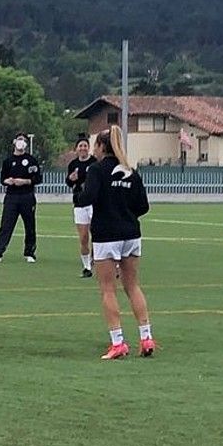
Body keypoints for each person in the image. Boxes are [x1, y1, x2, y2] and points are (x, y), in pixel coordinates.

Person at [79, 125, 155, 359]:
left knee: (108, 289)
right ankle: (146, 337)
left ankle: (118, 342)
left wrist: (78, 192)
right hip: (131, 234)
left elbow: (87, 197)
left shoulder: (96, 170)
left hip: (107, 236)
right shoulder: (130, 171)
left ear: (102, 147)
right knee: (133, 286)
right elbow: (143, 206)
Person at [0, 132, 42, 263]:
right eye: (19, 139)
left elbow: (37, 178)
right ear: (14, 142)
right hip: (11, 197)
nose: (21, 142)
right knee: (6, 224)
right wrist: (8, 181)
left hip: (27, 196)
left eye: (23, 140)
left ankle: (30, 252)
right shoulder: (8, 161)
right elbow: (2, 179)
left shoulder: (31, 160)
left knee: (30, 225)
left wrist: (25, 181)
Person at [65, 134, 95, 278]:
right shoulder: (73, 164)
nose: (83, 148)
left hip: (94, 203)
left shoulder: (95, 163)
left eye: (85, 146)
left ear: (88, 148)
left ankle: (98, 260)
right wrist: (71, 179)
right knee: (83, 237)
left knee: (98, 233)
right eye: (80, 146)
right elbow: (69, 182)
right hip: (79, 203)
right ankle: (87, 266)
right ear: (76, 149)